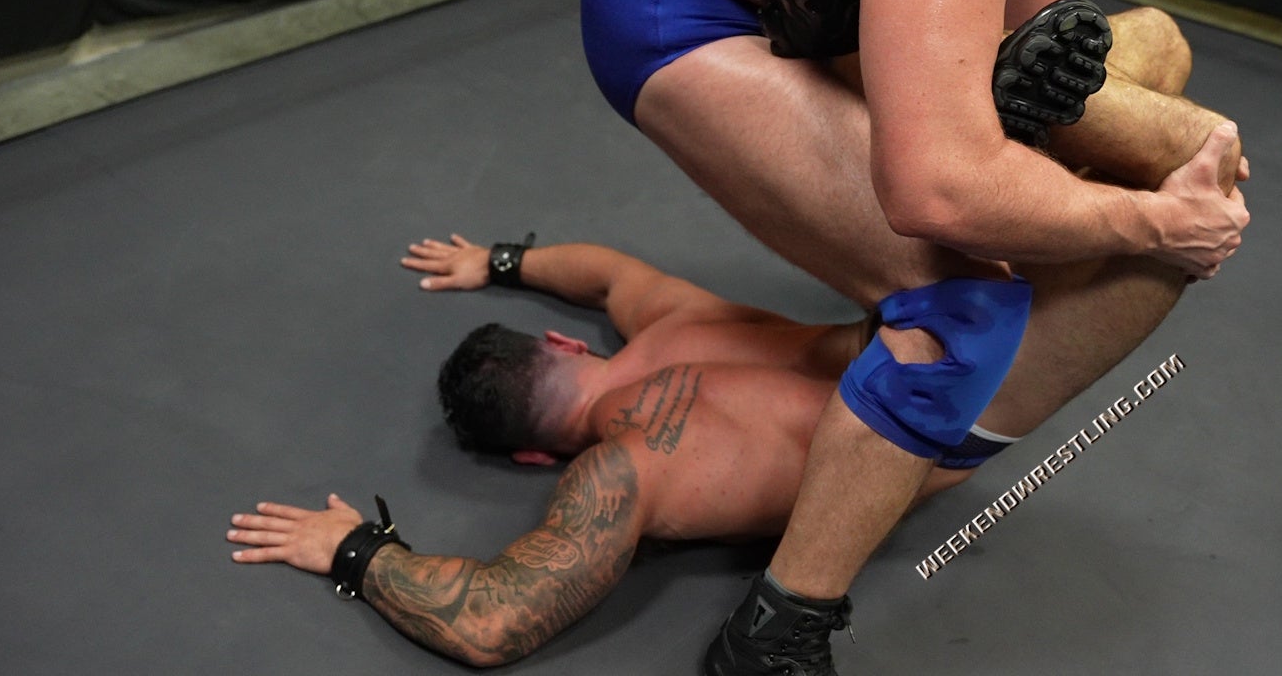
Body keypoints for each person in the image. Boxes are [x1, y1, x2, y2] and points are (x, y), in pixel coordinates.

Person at [576, 0, 1282, 670]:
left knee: (1142, 70)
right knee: (963, 305)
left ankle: (851, 21)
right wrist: (1150, 223)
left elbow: (1012, 120)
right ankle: (774, 636)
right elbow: (935, 191)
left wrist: (1080, 160)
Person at [226, 216, 1193, 666]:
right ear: (561, 345)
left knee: (1177, 248)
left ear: (531, 456)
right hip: (942, 299)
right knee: (1156, 117)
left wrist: (355, 552)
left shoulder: (618, 474)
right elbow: (605, 272)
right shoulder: (668, 321)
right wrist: (500, 260)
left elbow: (488, 620)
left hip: (942, 408)